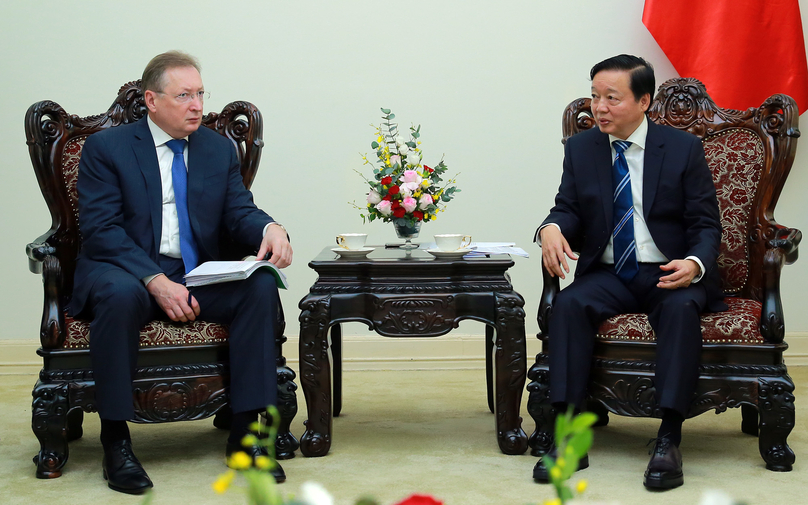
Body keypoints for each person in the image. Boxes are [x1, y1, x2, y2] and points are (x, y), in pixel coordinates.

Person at [72, 51, 292, 494]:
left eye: (200, 94)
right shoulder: (106, 149)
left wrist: (270, 227)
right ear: (152, 101)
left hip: (194, 272)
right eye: (184, 95)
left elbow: (238, 210)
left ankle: (247, 435)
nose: (197, 105)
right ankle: (115, 441)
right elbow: (101, 230)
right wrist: (154, 279)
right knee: (117, 296)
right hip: (127, 269)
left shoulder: (215, 148)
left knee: (260, 285)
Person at [533, 54, 725, 490]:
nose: (598, 108)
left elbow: (705, 224)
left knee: (679, 312)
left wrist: (694, 264)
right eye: (595, 96)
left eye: (611, 98)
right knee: (568, 304)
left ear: (643, 101)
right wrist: (549, 229)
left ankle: (669, 437)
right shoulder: (581, 149)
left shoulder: (682, 149)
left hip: (668, 271)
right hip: (610, 272)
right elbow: (566, 208)